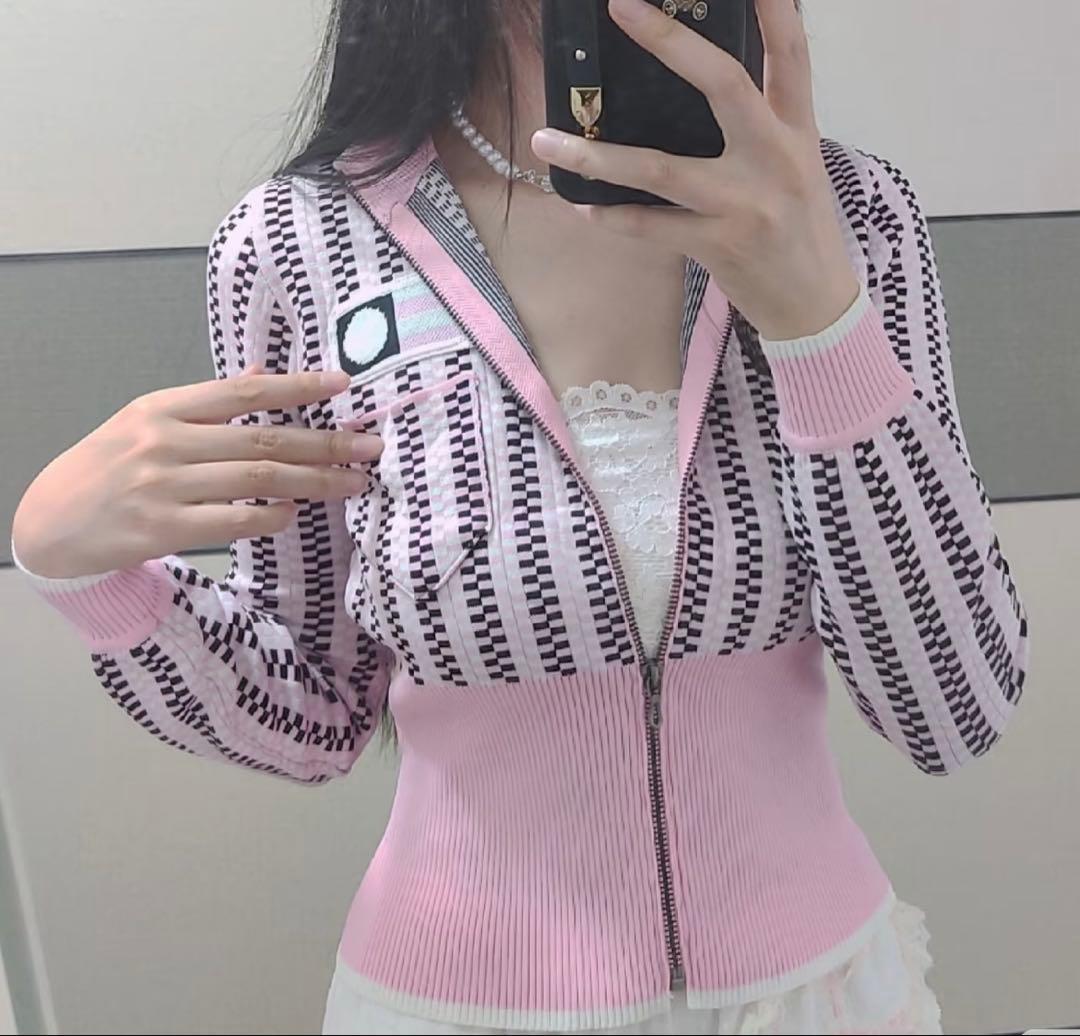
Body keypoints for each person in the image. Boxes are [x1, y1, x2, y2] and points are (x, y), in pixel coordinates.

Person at [10, 1, 1030, 1033]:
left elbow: (953, 707)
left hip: (819, 1001)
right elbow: (315, 710)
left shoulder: (846, 210)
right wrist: (85, 572)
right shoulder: (301, 242)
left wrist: (815, 318)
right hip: (455, 1004)